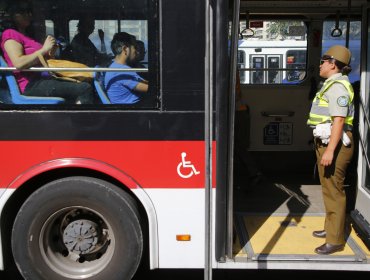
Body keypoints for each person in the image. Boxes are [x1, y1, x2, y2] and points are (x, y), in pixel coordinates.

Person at [307, 45, 355, 255]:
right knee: (328, 188)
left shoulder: (337, 88)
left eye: (323, 62)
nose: (320, 65)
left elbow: (339, 120)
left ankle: (335, 240)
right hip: (327, 141)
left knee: (334, 189)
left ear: (333, 65)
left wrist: (330, 151)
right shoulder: (331, 84)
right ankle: (331, 228)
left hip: (333, 144)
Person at [1, 0, 94, 104]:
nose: (28, 14)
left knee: (86, 80)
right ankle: (82, 120)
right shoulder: (10, 34)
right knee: (84, 89)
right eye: (22, 12)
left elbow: (39, 59)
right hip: (30, 84)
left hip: (43, 79)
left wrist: (50, 52)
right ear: (12, 15)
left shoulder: (27, 36)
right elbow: (18, 63)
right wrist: (44, 49)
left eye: (29, 11)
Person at [234, 70, 262, 189]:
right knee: (239, 146)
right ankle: (253, 173)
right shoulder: (231, 68)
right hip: (239, 110)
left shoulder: (225, 68)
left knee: (238, 146)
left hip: (237, 112)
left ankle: (253, 173)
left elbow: (234, 95)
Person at [104, 32, 148, 104]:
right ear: (125, 49)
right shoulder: (122, 71)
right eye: (135, 48)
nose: (137, 52)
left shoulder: (115, 66)